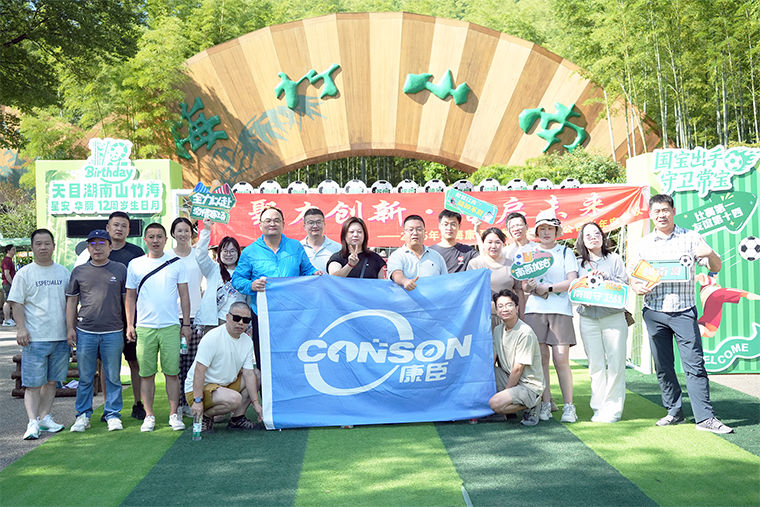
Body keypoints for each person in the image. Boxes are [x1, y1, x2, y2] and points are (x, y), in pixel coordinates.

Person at [628, 194, 733, 434]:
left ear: (673, 211)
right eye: (656, 211)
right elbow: (633, 274)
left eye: (665, 210)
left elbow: (716, 267)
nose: (661, 215)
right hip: (654, 311)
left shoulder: (691, 237)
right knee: (663, 366)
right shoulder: (644, 244)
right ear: (651, 215)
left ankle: (705, 418)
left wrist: (710, 253)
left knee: (694, 365)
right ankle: (674, 412)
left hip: (684, 311)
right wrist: (635, 286)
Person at [232, 206, 322, 369]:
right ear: (260, 225)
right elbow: (237, 279)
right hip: (263, 314)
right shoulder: (250, 252)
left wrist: (315, 274)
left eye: (276, 220)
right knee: (265, 358)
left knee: (293, 356)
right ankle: (266, 386)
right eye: (268, 221)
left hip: (292, 314)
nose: (272, 224)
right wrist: (251, 285)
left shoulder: (295, 247)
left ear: (283, 224)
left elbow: (307, 270)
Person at [125, 222, 191, 432]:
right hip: (145, 327)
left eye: (159, 236)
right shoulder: (135, 264)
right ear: (145, 240)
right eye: (151, 237)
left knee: (172, 373)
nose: (155, 240)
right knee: (146, 374)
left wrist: (186, 324)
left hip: (170, 326)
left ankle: (174, 414)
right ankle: (149, 415)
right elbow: (130, 296)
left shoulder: (177, 264)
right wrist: (130, 324)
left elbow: (184, 295)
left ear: (165, 239)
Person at [8, 229, 70, 440]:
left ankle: (45, 418)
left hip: (60, 337)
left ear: (53, 246)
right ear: (32, 247)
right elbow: (16, 303)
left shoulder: (63, 272)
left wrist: (70, 329)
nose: (43, 247)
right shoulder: (25, 273)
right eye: (38, 244)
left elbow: (70, 303)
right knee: (33, 384)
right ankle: (32, 422)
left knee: (52, 382)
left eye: (47, 243)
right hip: (35, 338)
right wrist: (21, 329)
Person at [66, 230, 127, 432]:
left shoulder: (120, 269)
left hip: (113, 331)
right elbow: (72, 301)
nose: (97, 248)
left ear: (110, 247)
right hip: (85, 331)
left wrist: (129, 325)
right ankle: (82, 415)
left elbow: (126, 300)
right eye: (93, 244)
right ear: (88, 248)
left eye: (102, 243)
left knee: (113, 377)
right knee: (85, 377)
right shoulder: (79, 271)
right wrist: (70, 328)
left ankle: (113, 414)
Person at [522, 209, 579, 423]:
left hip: (561, 310)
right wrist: (531, 286)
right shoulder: (529, 252)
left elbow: (572, 281)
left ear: (556, 231)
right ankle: (545, 404)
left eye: (550, 228)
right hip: (535, 310)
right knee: (541, 359)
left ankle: (569, 406)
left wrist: (549, 288)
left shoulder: (566, 253)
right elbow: (524, 286)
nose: (546, 232)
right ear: (537, 231)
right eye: (542, 228)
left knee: (561, 358)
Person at [575, 222, 628, 423]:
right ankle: (598, 408)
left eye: (596, 233)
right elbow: (574, 288)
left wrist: (607, 278)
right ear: (582, 240)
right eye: (588, 235)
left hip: (613, 317)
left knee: (616, 364)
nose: (593, 237)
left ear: (603, 236)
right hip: (588, 319)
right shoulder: (578, 263)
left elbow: (624, 285)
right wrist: (582, 297)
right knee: (595, 366)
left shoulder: (614, 259)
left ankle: (613, 410)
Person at [187, 302, 263, 433]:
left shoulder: (247, 341)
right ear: (227, 317)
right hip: (200, 388)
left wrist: (256, 403)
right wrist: (197, 400)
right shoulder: (212, 337)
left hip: (225, 385)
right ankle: (205, 417)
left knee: (256, 374)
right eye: (236, 318)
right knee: (235, 399)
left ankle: (237, 419)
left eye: (245, 320)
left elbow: (249, 374)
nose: (240, 323)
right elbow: (199, 371)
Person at [170, 217, 215, 418]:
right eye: (179, 230)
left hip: (196, 316)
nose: (183, 234)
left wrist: (207, 228)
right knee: (175, 364)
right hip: (172, 317)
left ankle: (189, 402)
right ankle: (176, 406)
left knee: (193, 363)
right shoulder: (167, 257)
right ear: (173, 234)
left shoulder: (198, 256)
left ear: (192, 233)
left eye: (186, 230)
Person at [105, 211, 146, 420]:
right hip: (107, 319)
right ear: (108, 228)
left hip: (133, 317)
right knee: (108, 365)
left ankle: (138, 403)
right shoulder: (99, 250)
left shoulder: (136, 253)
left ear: (129, 230)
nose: (119, 229)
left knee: (135, 361)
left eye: (123, 226)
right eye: (116, 225)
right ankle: (108, 407)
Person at [488, 289, 544, 426]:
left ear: (517, 308)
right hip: (509, 377)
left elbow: (518, 369)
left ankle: (533, 404)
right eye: (500, 306)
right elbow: (492, 360)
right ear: (496, 310)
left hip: (529, 385)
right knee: (485, 372)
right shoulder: (498, 330)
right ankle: (508, 406)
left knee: (495, 404)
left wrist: (506, 394)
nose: (505, 309)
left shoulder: (525, 332)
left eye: (509, 305)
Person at [467, 228, 523, 324]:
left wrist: (521, 316)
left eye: (497, 242)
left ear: (503, 244)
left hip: (508, 316)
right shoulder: (475, 264)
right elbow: (470, 291)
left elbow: (519, 291)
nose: (493, 246)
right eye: (489, 242)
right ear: (483, 243)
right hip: (483, 317)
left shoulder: (512, 265)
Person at [387, 215, 447, 291]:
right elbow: (396, 274)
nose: (415, 233)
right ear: (403, 233)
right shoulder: (397, 255)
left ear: (425, 233)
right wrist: (404, 281)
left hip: (433, 298)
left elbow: (445, 281)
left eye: (419, 229)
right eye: (410, 230)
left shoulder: (437, 256)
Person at [300, 208, 341, 272]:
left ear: (324, 224)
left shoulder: (338, 248)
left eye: (318, 222)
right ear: (304, 226)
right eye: (311, 223)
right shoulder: (298, 248)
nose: (315, 226)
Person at [2, 244, 16, 326]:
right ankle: (6, 319)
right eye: (13, 249)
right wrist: (13, 283)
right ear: (8, 251)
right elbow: (7, 273)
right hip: (7, 283)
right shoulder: (7, 260)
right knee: (8, 301)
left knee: (10, 301)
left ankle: (9, 319)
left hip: (8, 283)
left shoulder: (9, 260)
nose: (15, 251)